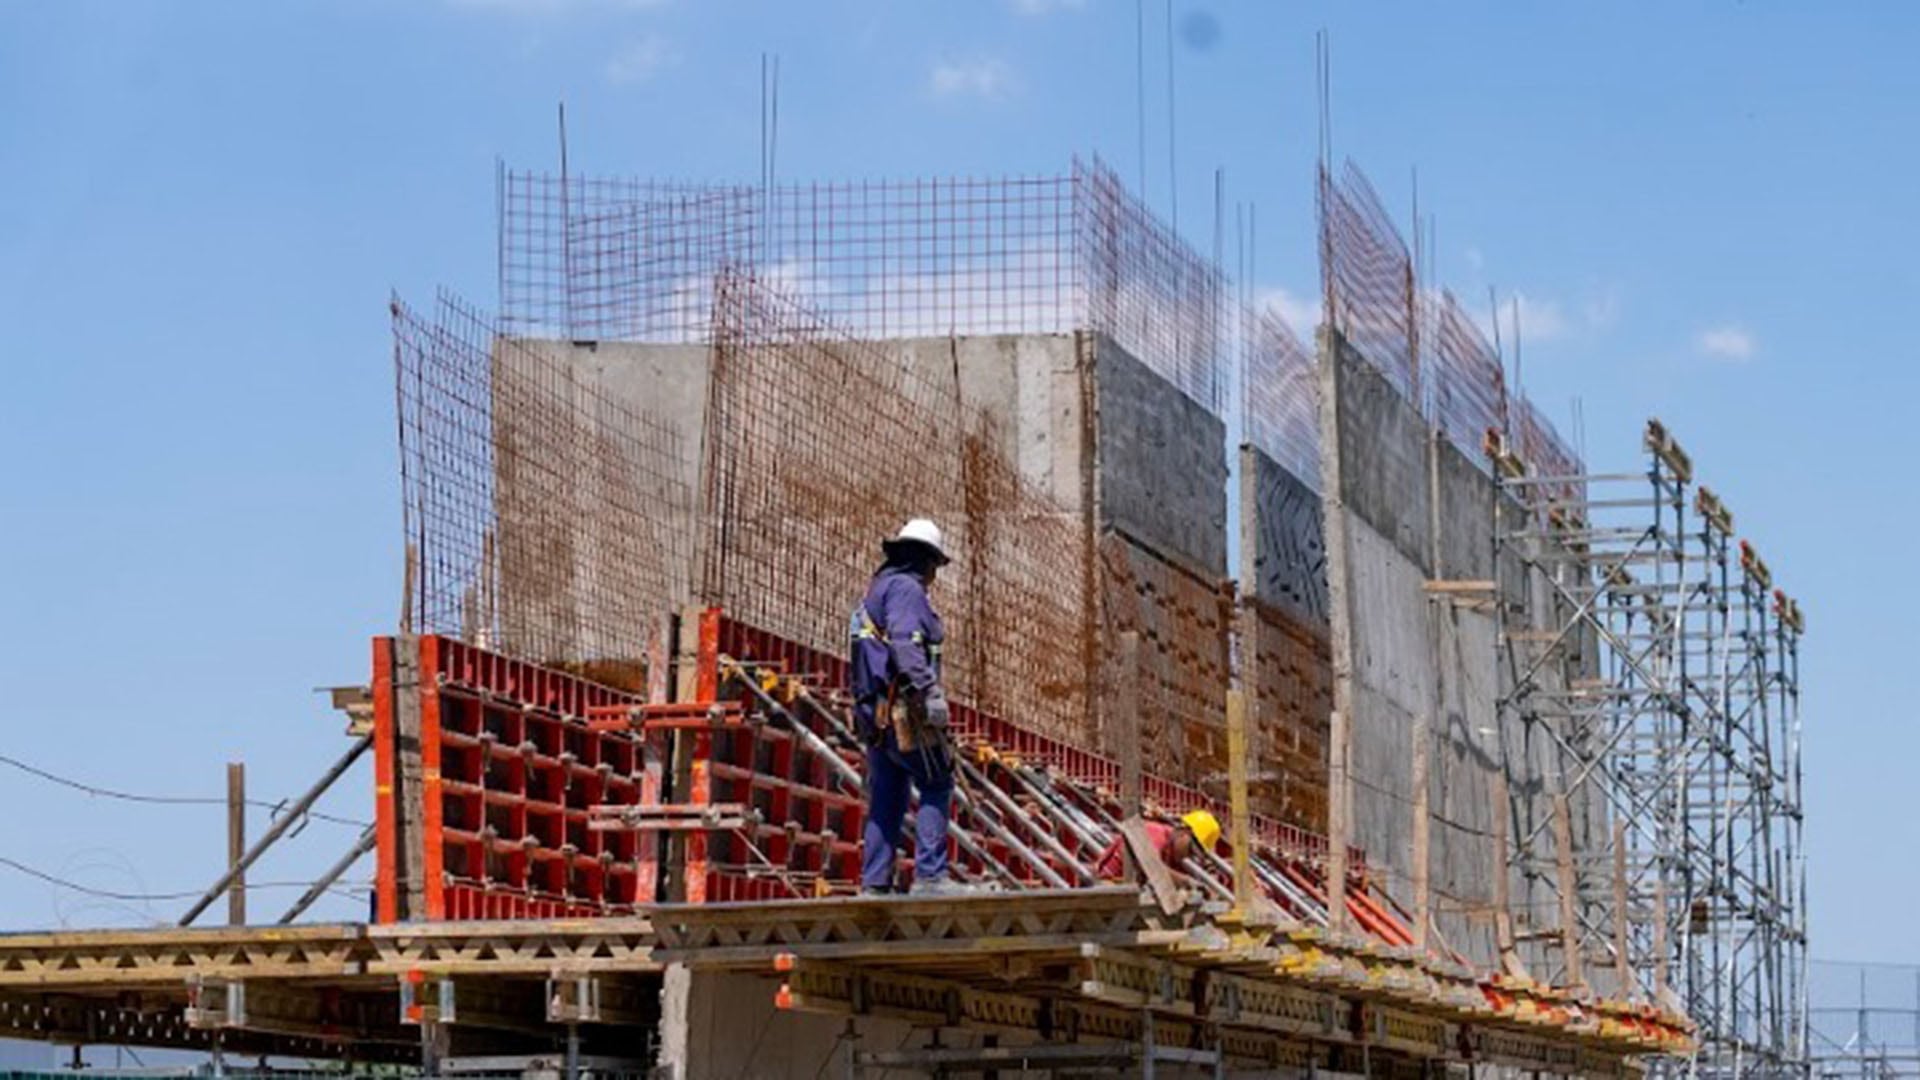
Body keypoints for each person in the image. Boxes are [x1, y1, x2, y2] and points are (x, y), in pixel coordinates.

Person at [849, 519, 977, 896]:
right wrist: (929, 693)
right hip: (903, 708)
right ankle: (931, 877)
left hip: (874, 712)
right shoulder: (906, 591)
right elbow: (906, 645)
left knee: (888, 794)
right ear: (925, 561)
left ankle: (874, 882)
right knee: (937, 782)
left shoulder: (878, 590)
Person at [1094, 809, 1222, 880]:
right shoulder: (1155, 832)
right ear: (1184, 832)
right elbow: (1153, 868)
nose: (1186, 856)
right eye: (1190, 850)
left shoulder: (1170, 853)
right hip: (1107, 886)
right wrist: (1185, 881)